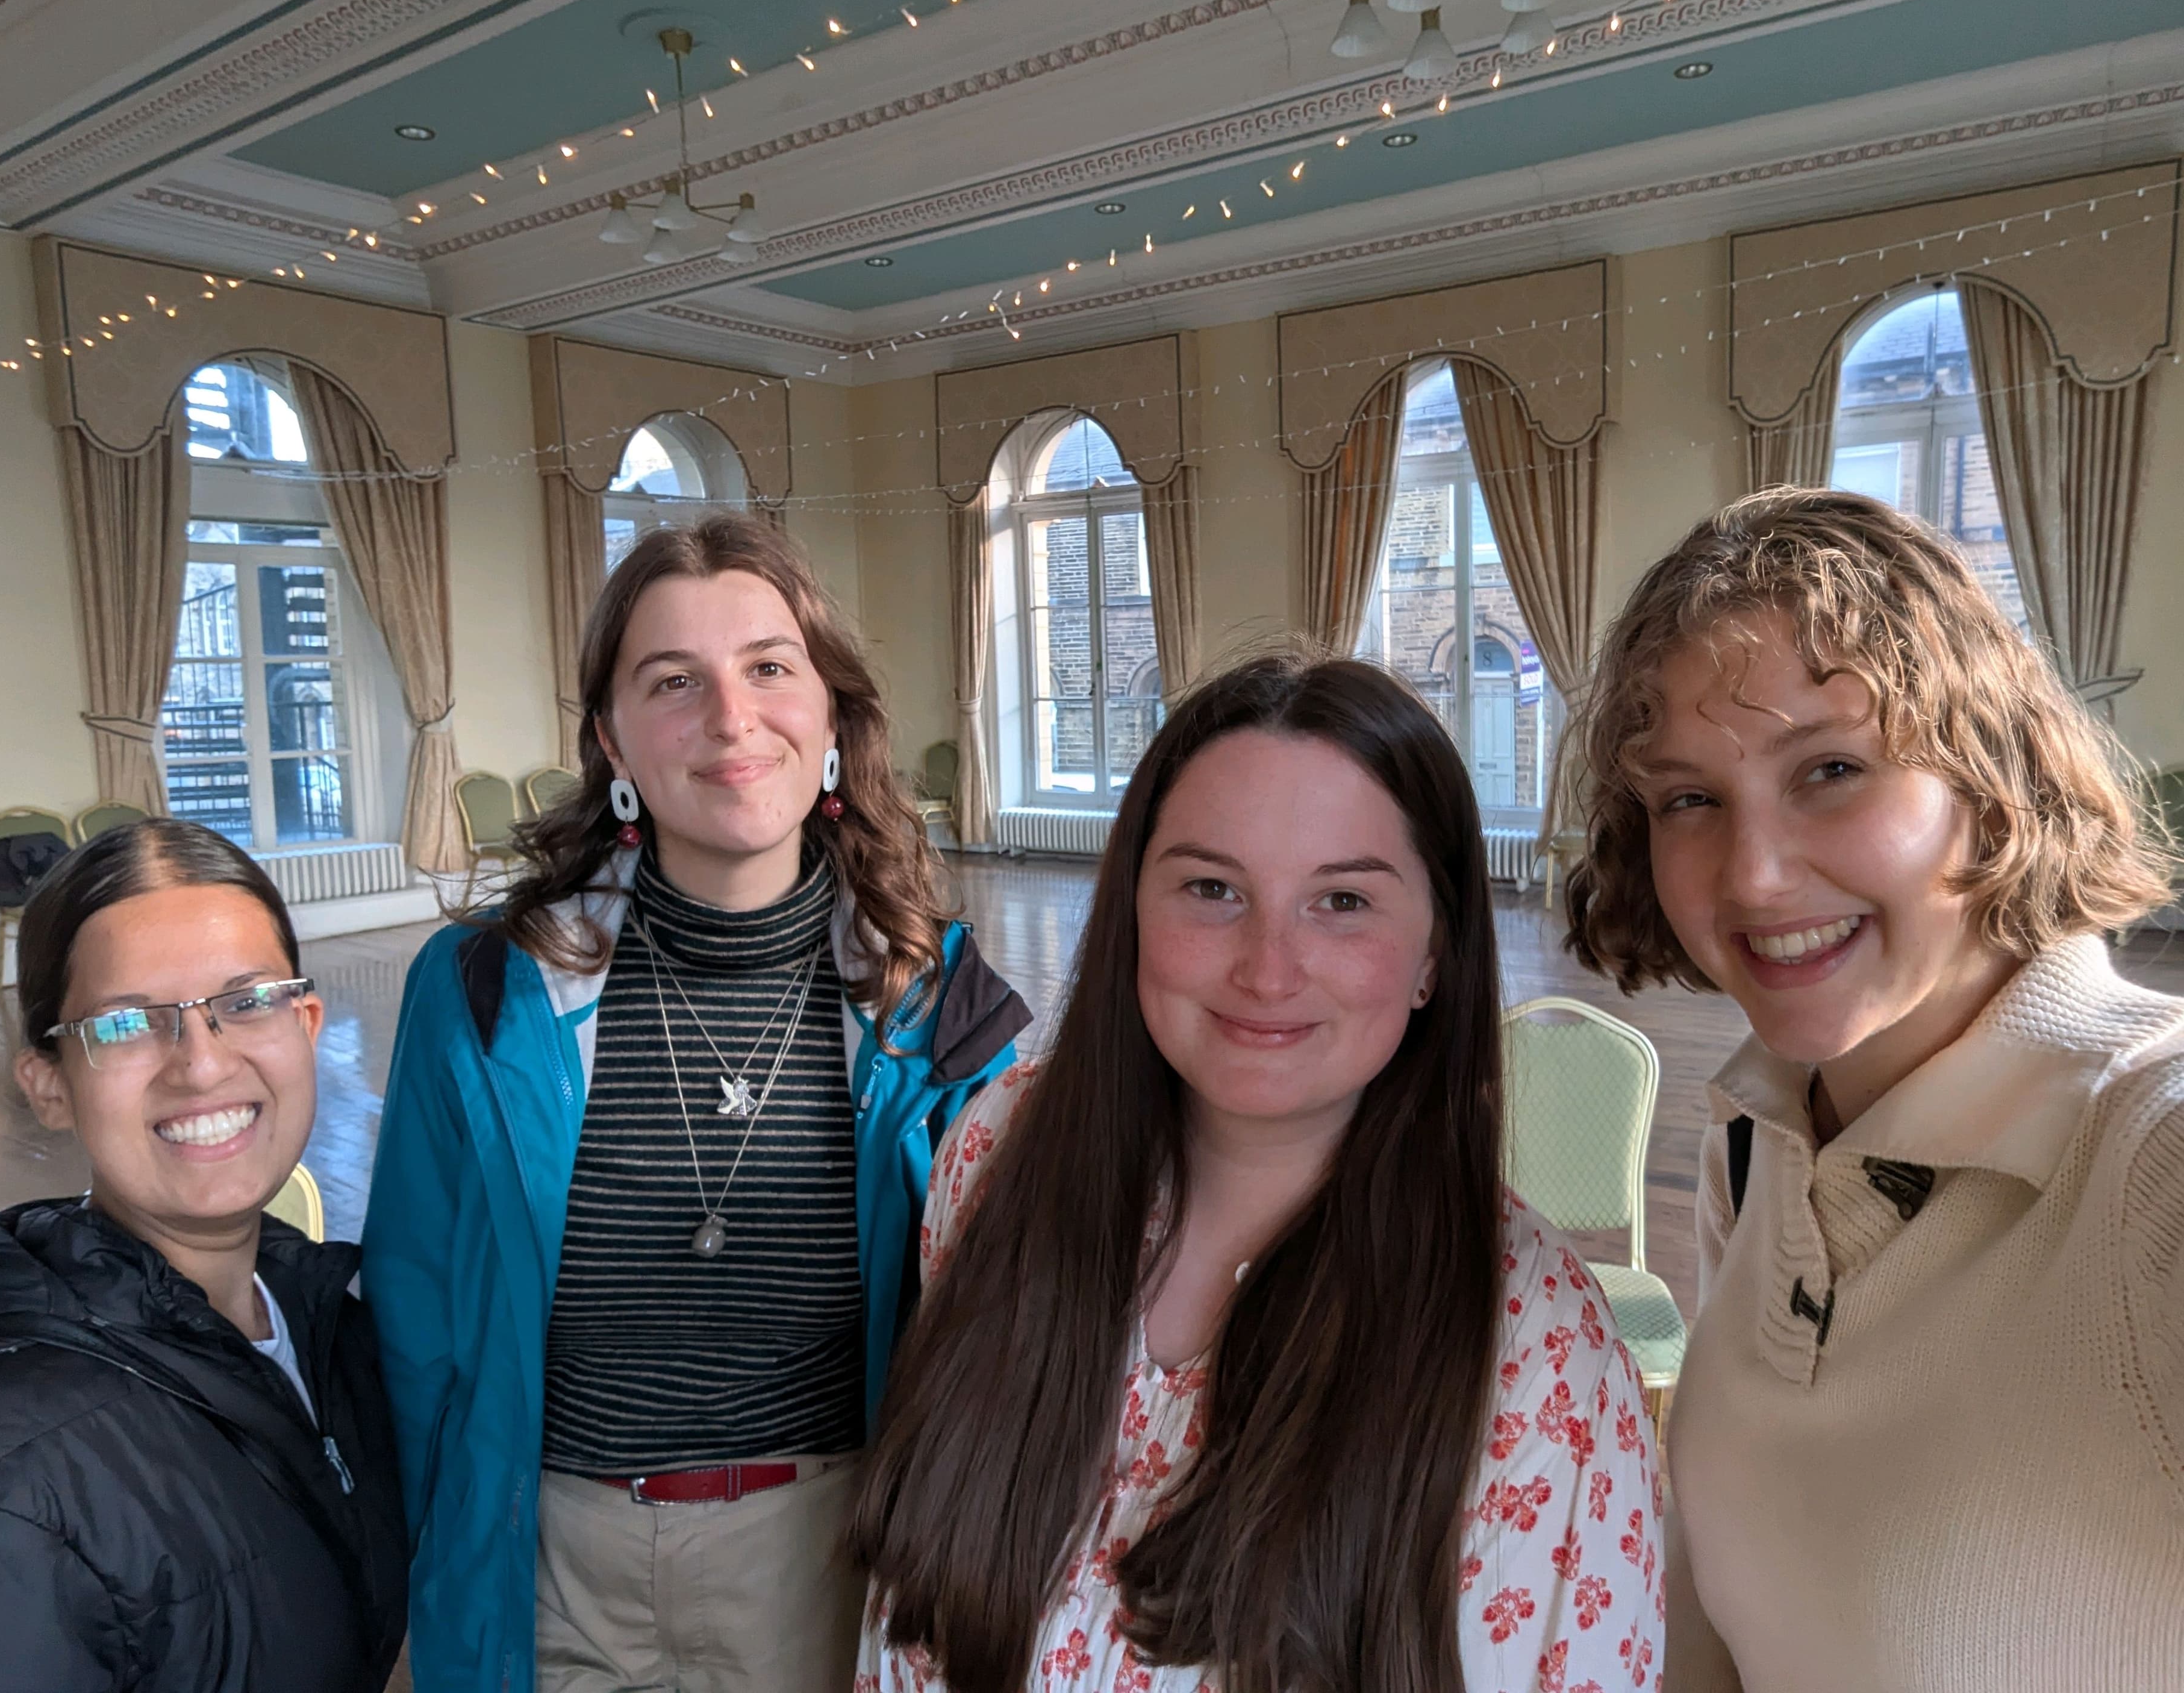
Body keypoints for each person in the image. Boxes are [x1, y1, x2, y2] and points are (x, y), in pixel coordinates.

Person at [854, 654, 1665, 1693]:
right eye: (1210, 887)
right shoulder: (1001, 1149)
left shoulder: (1539, 1352)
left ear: (1435, 955)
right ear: (1131, 909)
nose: (1268, 968)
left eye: (1341, 901)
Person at [366, 513, 1031, 1693]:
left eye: (770, 668)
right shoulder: (476, 991)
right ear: (612, 743)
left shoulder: (940, 1009)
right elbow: (414, 1322)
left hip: (822, 1570)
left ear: (833, 720)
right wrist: (401, 1580)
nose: (731, 718)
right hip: (545, 1566)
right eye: (674, 681)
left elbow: (1000, 1340)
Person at [1565, 487, 2184, 1691]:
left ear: (1991, 777)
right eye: (1690, 798)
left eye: (1832, 769)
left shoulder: (2150, 1156)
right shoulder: (1758, 1138)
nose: (1752, 875)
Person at [0, 819, 408, 1692]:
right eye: (127, 1023)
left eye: (249, 1000)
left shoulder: (330, 1319)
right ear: (48, 1082)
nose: (201, 1066)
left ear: (307, 1024)